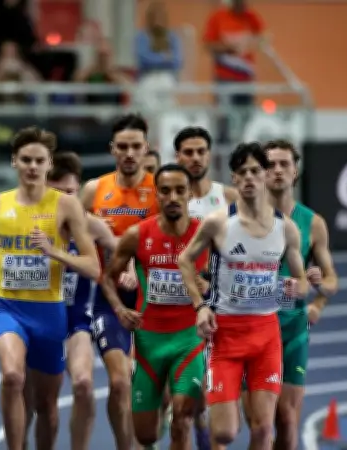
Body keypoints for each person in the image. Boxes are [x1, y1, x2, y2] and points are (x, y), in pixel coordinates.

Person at [0, 127, 100, 450]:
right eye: (26, 160)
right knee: (12, 376)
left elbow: (93, 267)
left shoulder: (66, 206)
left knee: (47, 407)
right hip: (9, 308)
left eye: (39, 160)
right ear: (14, 161)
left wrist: (54, 252)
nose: (33, 167)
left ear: (49, 163)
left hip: (50, 314)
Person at [177, 142, 309, 450]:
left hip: (266, 335)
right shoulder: (218, 222)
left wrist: (298, 287)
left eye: (255, 171)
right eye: (242, 172)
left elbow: (302, 281)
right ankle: (206, 414)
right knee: (224, 433)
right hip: (226, 335)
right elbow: (184, 260)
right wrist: (200, 306)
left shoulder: (286, 228)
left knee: (263, 429)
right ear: (234, 179)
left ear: (265, 175)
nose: (249, 177)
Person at [237, 139, 340, 450]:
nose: (278, 170)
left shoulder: (314, 224)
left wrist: (319, 294)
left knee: (287, 420)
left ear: (296, 172)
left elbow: (331, 279)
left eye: (285, 164)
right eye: (270, 165)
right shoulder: (241, 219)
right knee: (260, 426)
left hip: (292, 330)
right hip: (250, 329)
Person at [100, 164, 210, 449]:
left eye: (180, 190)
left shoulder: (206, 234)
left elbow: (226, 278)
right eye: (165, 191)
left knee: (183, 419)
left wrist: (209, 288)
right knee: (146, 435)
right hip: (148, 342)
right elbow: (107, 278)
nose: (173, 197)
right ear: (156, 195)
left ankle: (185, 417)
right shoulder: (137, 235)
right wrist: (119, 310)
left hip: (189, 340)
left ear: (190, 194)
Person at [81, 113, 159, 450]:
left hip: (153, 301)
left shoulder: (162, 191)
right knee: (120, 381)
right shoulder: (94, 190)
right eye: (123, 146)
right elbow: (72, 235)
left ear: (146, 149)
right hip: (107, 301)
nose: (129, 153)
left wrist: (137, 269)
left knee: (155, 388)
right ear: (112, 149)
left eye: (136, 146)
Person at [173, 125, 237, 450]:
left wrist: (211, 278)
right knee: (185, 402)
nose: (195, 158)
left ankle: (206, 430)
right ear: (177, 156)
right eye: (188, 152)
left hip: (218, 308)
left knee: (215, 393)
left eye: (201, 151)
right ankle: (198, 422)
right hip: (176, 309)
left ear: (210, 155)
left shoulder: (227, 198)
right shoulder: (170, 200)